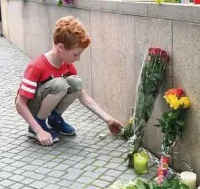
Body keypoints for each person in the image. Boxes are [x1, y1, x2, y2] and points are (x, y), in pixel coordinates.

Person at [15, 16, 124, 146]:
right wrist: (38, 131)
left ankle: (55, 119)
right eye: (76, 54)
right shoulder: (36, 66)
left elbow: (83, 97)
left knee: (75, 83)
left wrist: (109, 120)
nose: (78, 59)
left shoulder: (67, 64)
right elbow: (20, 104)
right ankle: (38, 125)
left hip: (46, 101)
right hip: (32, 110)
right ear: (60, 47)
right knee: (60, 84)